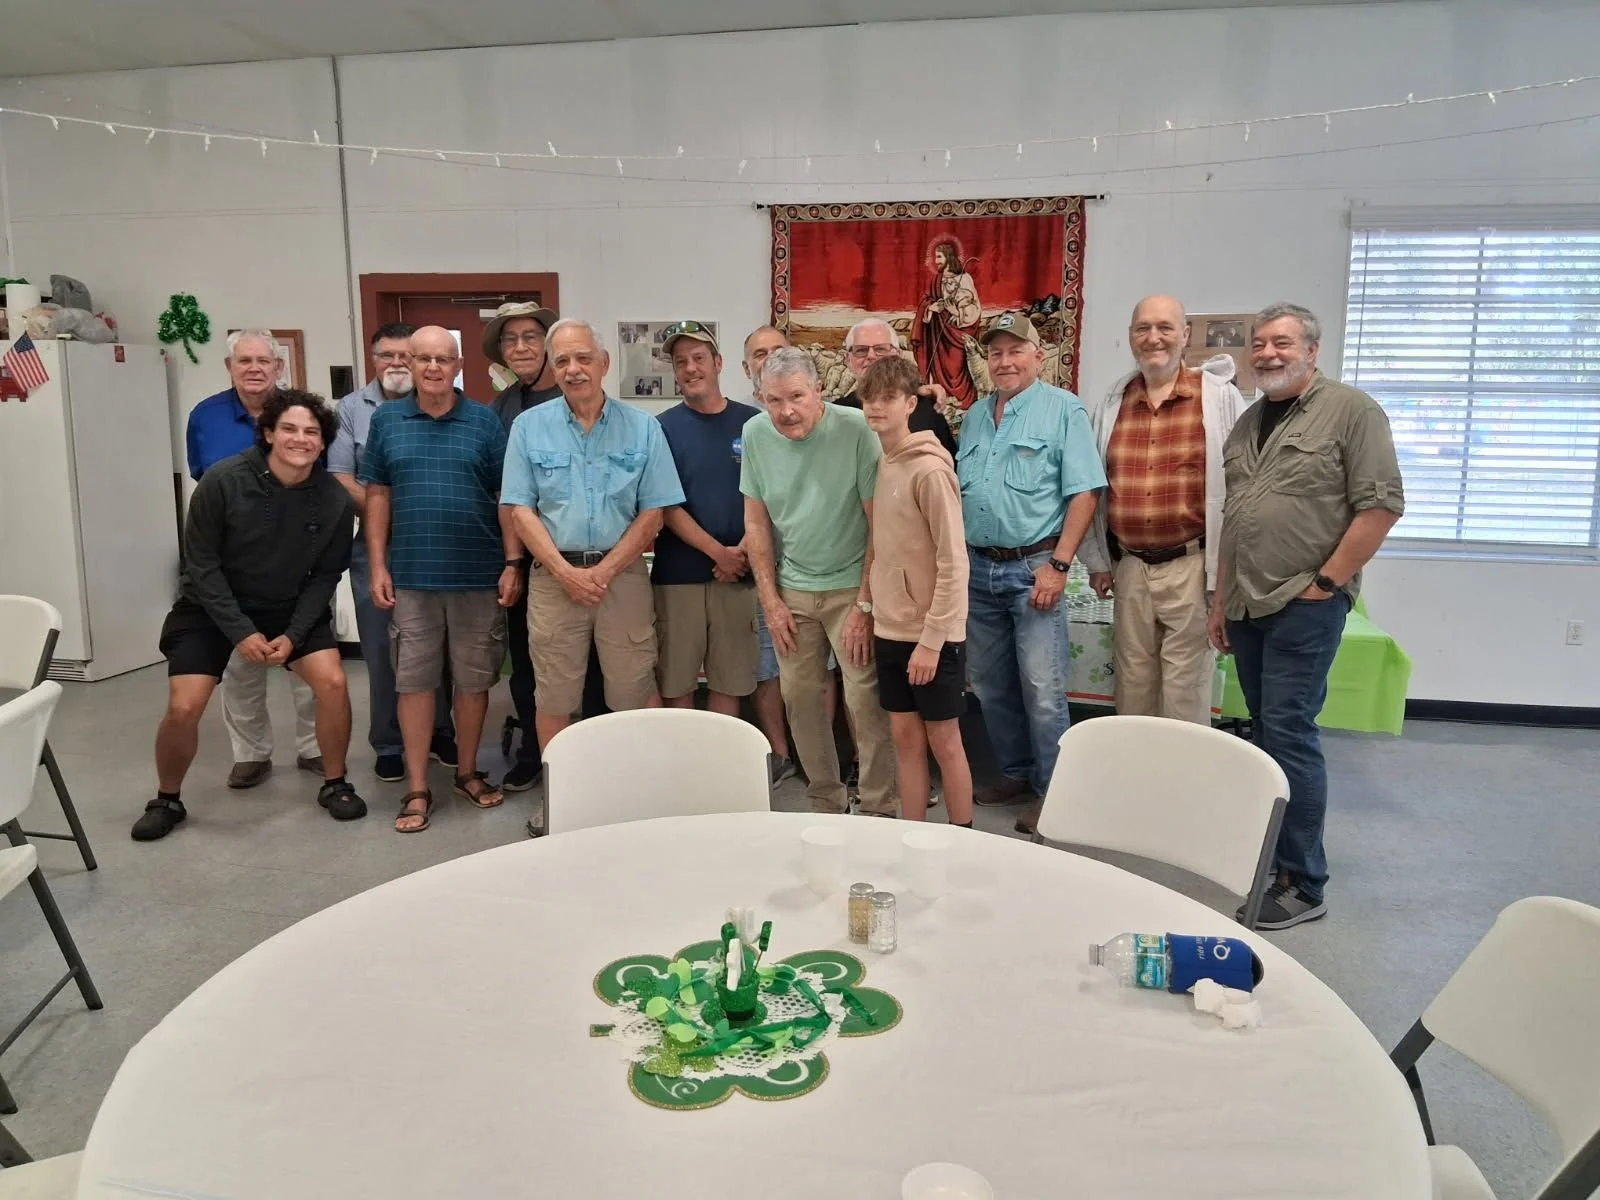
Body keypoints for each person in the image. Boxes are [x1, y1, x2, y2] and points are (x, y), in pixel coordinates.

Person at [1208, 302, 1404, 930]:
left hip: (1303, 603)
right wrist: (1219, 599)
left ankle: (1304, 882)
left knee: (1289, 734)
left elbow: (1381, 506)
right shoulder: (1247, 423)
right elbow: (1236, 518)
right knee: (1265, 734)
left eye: (1282, 342)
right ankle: (1273, 857)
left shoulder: (1352, 412)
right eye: (1258, 343)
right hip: (1246, 603)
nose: (1267, 353)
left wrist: (1326, 583)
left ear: (1312, 350)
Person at [133, 390, 363, 841]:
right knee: (185, 705)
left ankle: (335, 783)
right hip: (209, 609)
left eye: (312, 432)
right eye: (290, 429)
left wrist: (295, 636)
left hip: (290, 607)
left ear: (323, 443)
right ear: (269, 433)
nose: (301, 439)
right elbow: (201, 566)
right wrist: (240, 633)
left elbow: (326, 575)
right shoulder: (222, 481)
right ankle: (167, 798)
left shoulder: (334, 499)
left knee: (334, 684)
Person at [501, 320, 685, 836]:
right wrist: (564, 571)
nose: (573, 369)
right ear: (551, 369)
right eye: (561, 361)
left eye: (582, 358)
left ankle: (636, 799)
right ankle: (561, 802)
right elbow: (519, 508)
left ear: (604, 363)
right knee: (554, 697)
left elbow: (654, 512)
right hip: (552, 577)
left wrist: (602, 571)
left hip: (621, 576)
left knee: (633, 689)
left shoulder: (642, 428)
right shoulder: (529, 428)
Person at [360, 326, 523, 834]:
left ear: (458, 366)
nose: (432, 367)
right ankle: (416, 786)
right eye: (422, 358)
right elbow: (377, 497)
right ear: (408, 364)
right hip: (411, 578)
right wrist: (379, 565)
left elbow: (507, 498)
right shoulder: (386, 422)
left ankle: (468, 771)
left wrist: (512, 562)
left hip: (478, 576)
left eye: (442, 359)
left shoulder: (484, 423)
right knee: (413, 684)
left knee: (475, 684)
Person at [959, 312, 1104, 831]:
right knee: (991, 686)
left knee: (1043, 688)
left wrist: (1059, 565)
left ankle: (1053, 790)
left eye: (1015, 351)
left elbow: (1085, 491)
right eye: (996, 353)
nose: (1005, 361)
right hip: (980, 570)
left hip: (1036, 567)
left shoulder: (1064, 410)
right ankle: (1017, 774)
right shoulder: (975, 415)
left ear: (1038, 356)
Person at [742, 347, 898, 818]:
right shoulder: (754, 434)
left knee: (864, 698)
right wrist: (770, 601)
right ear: (760, 398)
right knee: (799, 698)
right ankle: (825, 799)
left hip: (853, 584)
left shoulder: (854, 429)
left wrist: (865, 606)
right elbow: (756, 524)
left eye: (796, 397)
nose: (785, 411)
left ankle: (878, 806)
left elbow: (879, 525)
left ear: (819, 392)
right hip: (794, 589)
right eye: (773, 400)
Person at [1079, 295, 1248, 724]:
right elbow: (1097, 485)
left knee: (1184, 692)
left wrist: (1224, 577)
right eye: (1143, 328)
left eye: (1165, 327)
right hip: (1130, 567)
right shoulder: (1114, 401)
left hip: (1190, 566)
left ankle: (1181, 788)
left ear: (1185, 335)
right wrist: (1099, 561)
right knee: (1132, 685)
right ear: (1131, 336)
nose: (1153, 338)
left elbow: (1241, 489)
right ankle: (1138, 782)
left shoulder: (1218, 399)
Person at [185, 329, 319, 790]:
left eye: (264, 360)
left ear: (279, 367)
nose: (255, 368)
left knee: (308, 662)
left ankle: (314, 747)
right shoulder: (205, 417)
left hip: (297, 553)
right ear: (230, 367)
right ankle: (251, 753)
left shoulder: (299, 412)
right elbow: (204, 482)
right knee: (241, 664)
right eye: (245, 361)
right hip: (235, 562)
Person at [481, 300, 599, 793]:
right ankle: (538, 756)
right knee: (532, 667)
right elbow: (508, 496)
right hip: (530, 561)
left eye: (531, 336)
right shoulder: (505, 409)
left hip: (589, 562)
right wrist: (515, 561)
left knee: (593, 670)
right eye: (511, 340)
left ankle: (596, 763)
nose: (521, 347)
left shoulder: (581, 397)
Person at [330, 323, 456, 783]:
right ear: (374, 358)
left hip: (439, 546)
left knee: (438, 642)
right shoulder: (350, 410)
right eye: (389, 355)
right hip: (378, 545)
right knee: (383, 647)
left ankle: (441, 730)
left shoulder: (446, 407)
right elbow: (342, 478)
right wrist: (397, 513)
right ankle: (388, 741)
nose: (401, 364)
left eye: (411, 355)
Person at [858, 356, 972, 826]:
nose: (876, 408)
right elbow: (883, 548)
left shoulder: (929, 470)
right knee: (904, 739)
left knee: (944, 742)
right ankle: (910, 837)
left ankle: (963, 837)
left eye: (887, 398)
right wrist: (868, 605)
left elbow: (953, 561)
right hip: (891, 628)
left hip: (933, 636)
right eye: (869, 398)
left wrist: (931, 640)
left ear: (909, 404)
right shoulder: (883, 464)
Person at [651, 321, 764, 730]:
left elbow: (769, 498)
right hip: (678, 577)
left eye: (699, 358)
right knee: (676, 679)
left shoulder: (754, 424)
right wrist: (719, 553)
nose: (690, 368)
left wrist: (741, 552)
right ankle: (685, 768)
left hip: (740, 575)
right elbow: (663, 504)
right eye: (681, 362)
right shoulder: (659, 428)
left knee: (730, 679)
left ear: (718, 363)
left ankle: (717, 770)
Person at [741, 326, 806, 783]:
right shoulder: (753, 429)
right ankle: (781, 754)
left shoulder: (832, 421)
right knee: (768, 665)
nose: (770, 360)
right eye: (760, 356)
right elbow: (756, 515)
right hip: (762, 571)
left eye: (778, 352)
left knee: (817, 673)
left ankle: (813, 757)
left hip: (817, 574)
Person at [833, 318, 958, 457]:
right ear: (848, 360)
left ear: (898, 355)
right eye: (861, 350)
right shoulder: (837, 413)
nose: (871, 356)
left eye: (880, 349)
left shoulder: (926, 408)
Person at [916, 239, 983, 408]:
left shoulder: (964, 278)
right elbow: (926, 301)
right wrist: (931, 308)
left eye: (939, 257)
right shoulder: (935, 280)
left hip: (957, 331)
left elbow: (974, 306)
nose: (936, 261)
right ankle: (944, 403)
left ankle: (965, 405)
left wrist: (957, 313)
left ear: (948, 257)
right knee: (941, 370)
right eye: (935, 257)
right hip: (938, 334)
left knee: (956, 368)